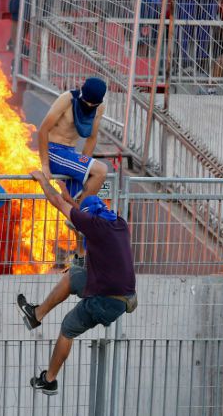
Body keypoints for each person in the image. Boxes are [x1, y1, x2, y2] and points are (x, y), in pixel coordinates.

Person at [17, 171, 137, 396]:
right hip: (118, 292)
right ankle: (36, 315)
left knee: (67, 329)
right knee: (73, 275)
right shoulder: (117, 222)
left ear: (89, 218)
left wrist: (44, 181)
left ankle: (50, 380)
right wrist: (70, 199)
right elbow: (81, 216)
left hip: (106, 301)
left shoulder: (94, 226)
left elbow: (57, 203)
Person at [36, 76, 109, 261]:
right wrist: (45, 164)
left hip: (71, 154)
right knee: (101, 171)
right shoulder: (66, 99)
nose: (90, 106)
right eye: (87, 103)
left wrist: (85, 165)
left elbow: (91, 138)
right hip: (54, 151)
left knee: (83, 205)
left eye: (94, 104)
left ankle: (81, 257)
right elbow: (43, 129)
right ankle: (76, 217)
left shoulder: (99, 108)